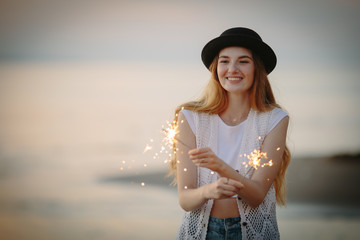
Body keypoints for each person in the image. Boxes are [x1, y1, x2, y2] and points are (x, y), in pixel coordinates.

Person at [168, 27, 291, 240]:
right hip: (202, 232)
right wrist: (208, 191)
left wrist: (220, 167)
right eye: (224, 61)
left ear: (257, 69)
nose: (232, 69)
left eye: (243, 61)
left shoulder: (275, 119)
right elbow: (185, 200)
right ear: (216, 68)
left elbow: (257, 195)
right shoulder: (190, 117)